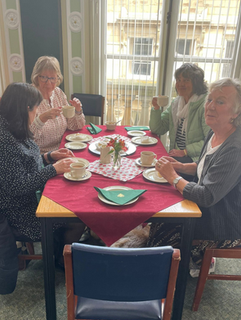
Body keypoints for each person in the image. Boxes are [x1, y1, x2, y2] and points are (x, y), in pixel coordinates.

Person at [147, 78, 241, 275]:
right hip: (206, 207)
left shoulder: (235, 149)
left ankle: (188, 265)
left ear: (236, 112)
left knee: (163, 233)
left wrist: (173, 176)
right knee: (158, 215)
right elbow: (204, 167)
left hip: (222, 221)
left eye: (220, 102)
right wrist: (181, 167)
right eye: (210, 100)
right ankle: (182, 259)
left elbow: (206, 196)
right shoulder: (216, 131)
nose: (210, 106)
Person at [0, 83, 85, 259]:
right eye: (36, 108)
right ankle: (61, 261)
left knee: (72, 200)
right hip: (21, 214)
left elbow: (27, 161)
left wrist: (49, 156)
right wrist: (52, 170)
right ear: (25, 108)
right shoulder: (5, 141)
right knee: (77, 218)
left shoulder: (14, 127)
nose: (37, 113)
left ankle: (58, 246)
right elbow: (17, 186)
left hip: (31, 200)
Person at [150, 63, 210, 164]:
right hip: (177, 155)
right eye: (178, 80)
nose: (180, 84)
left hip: (195, 159)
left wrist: (185, 151)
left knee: (157, 166)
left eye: (186, 80)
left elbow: (210, 141)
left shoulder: (205, 105)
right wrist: (156, 108)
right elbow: (158, 129)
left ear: (196, 83)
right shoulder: (177, 103)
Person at [30, 56, 85, 153]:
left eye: (52, 78)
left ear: (57, 78)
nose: (48, 82)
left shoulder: (58, 93)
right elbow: (26, 136)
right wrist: (42, 118)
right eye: (44, 77)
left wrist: (77, 111)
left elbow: (74, 126)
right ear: (36, 76)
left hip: (64, 148)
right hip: (41, 155)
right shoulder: (29, 96)